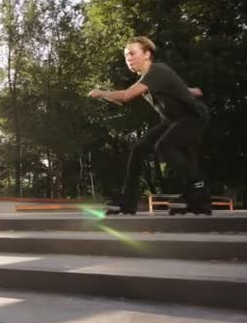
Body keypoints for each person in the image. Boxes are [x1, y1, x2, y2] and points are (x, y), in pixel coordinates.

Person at [89, 36, 211, 215]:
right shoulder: (147, 79)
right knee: (139, 149)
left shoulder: (157, 70)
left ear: (147, 54)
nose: (128, 59)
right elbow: (180, 88)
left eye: (132, 53)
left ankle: (197, 190)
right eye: (125, 56)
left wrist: (100, 93)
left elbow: (125, 96)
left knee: (165, 146)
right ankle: (128, 202)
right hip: (173, 121)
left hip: (193, 117)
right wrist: (191, 91)